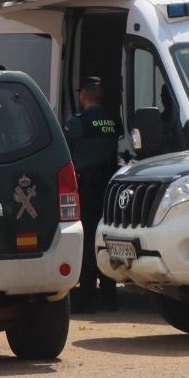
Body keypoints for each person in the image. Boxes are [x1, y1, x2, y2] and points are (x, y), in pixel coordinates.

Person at [65, 76, 124, 311]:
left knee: (88, 239)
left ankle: (87, 293)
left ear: (83, 95)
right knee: (106, 238)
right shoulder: (112, 122)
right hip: (108, 187)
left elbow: (65, 149)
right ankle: (109, 295)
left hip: (86, 187)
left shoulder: (78, 123)